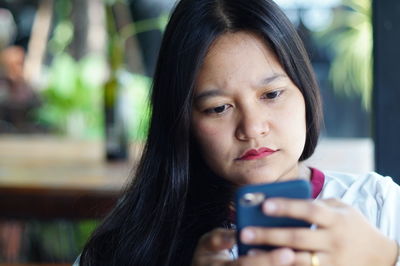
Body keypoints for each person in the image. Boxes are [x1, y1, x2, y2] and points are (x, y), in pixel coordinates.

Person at [77, 0, 400, 265]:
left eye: (272, 95)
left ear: (306, 90)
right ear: (182, 121)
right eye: (219, 108)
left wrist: (386, 258)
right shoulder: (133, 240)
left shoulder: (378, 206)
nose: (252, 128)